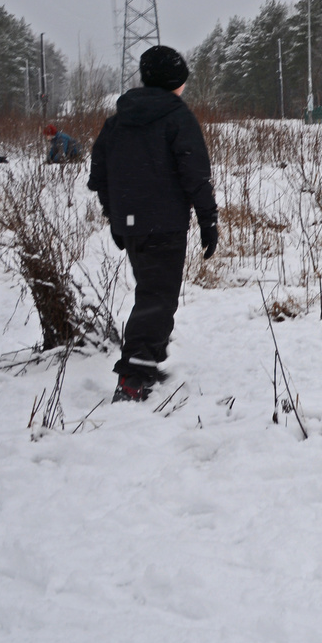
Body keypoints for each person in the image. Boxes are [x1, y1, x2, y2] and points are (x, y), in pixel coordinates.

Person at [89, 46, 219, 400]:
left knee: (152, 291)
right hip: (165, 223)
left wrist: (115, 216)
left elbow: (99, 173)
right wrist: (208, 218)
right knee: (157, 297)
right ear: (176, 82)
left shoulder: (118, 119)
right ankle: (134, 374)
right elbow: (195, 174)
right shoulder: (177, 117)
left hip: (131, 224)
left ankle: (147, 361)